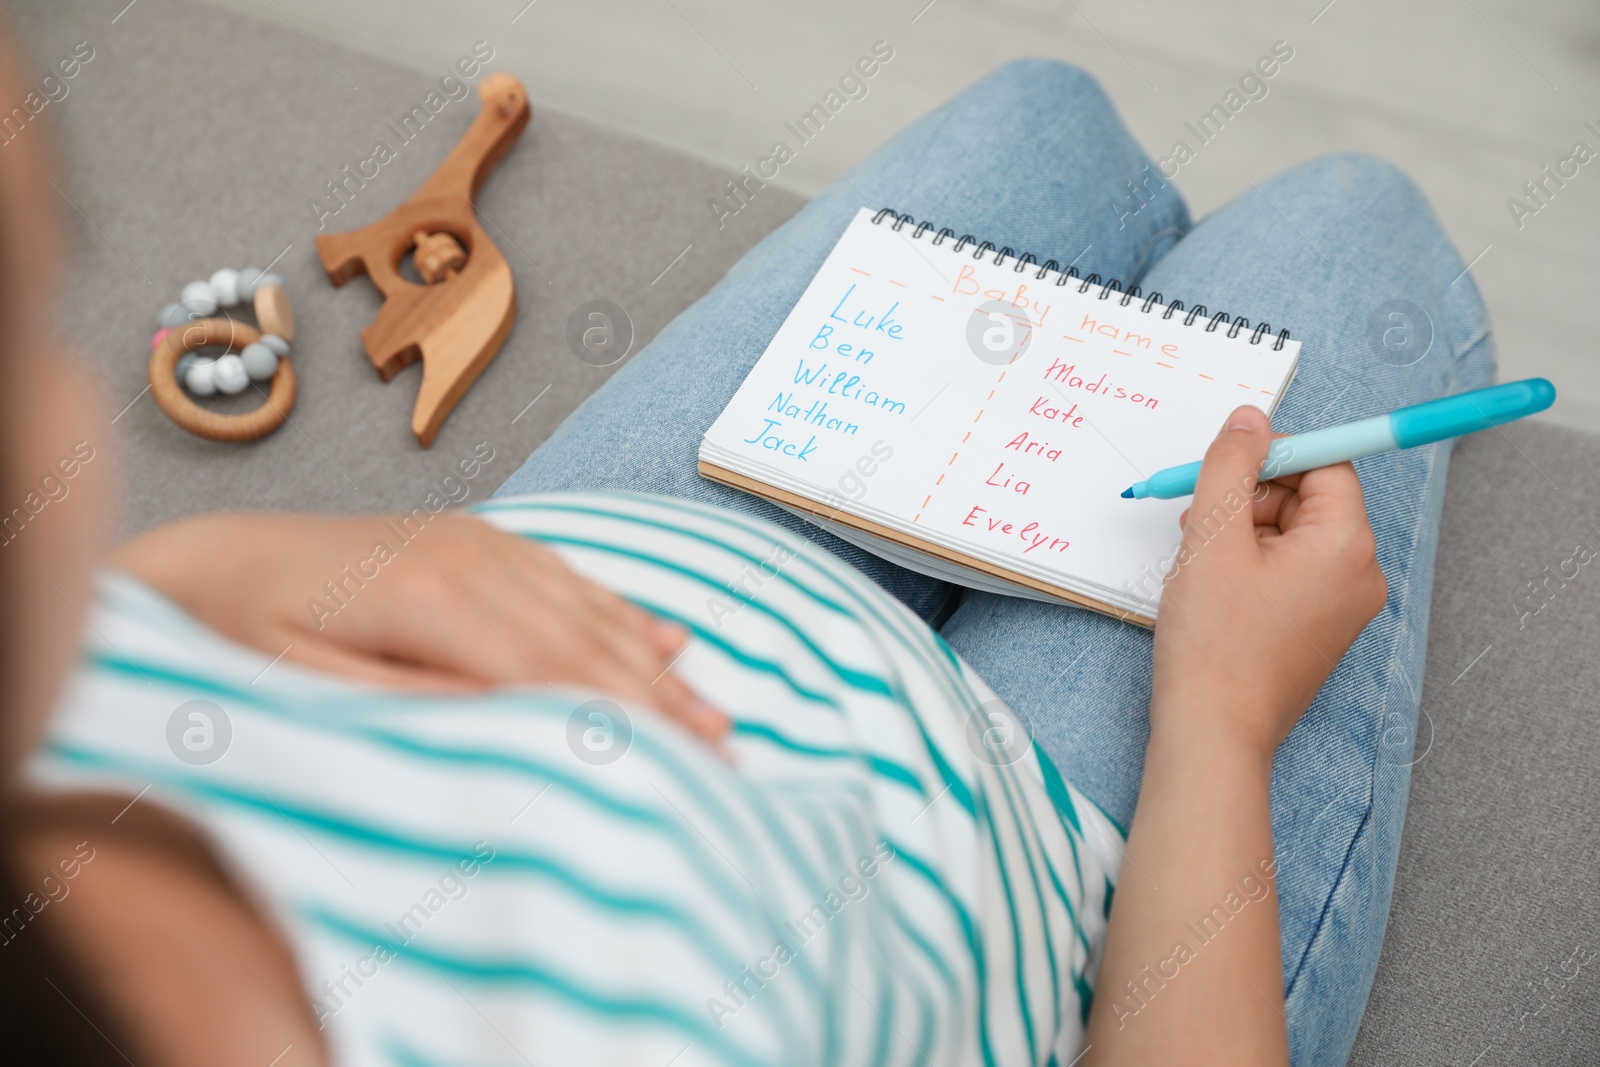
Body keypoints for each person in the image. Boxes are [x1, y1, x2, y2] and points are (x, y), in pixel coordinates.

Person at [0, 49, 1491, 1067]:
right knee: (1348, 219)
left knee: (1050, 119)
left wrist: (213, 577)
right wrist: (1223, 723)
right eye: (30, 308)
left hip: (641, 552)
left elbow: (114, 630)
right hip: (1063, 862)